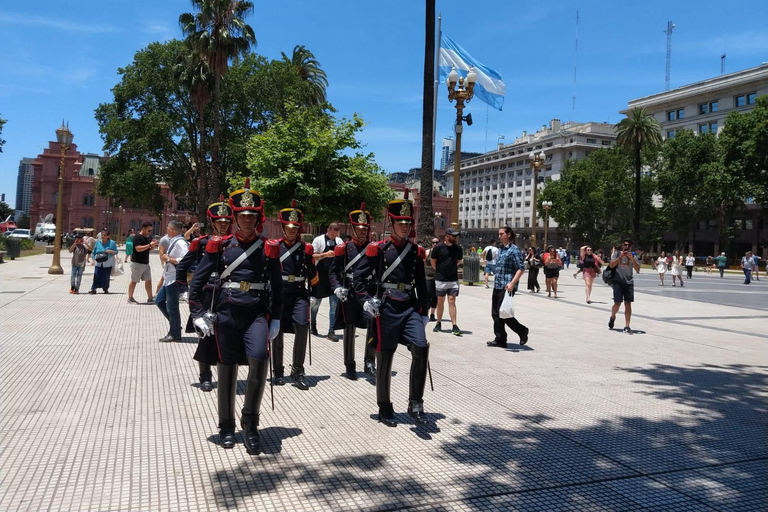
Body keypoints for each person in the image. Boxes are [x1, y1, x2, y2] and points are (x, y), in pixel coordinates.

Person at [189, 179, 283, 454]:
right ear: (235, 217)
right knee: (227, 368)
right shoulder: (220, 246)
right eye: (242, 216)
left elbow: (277, 287)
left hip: (255, 314)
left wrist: (276, 318)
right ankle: (226, 426)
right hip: (227, 313)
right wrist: (198, 313)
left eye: (251, 216)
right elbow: (198, 282)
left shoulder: (269, 247)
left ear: (258, 218)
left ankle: (250, 422)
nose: (246, 221)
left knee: (260, 359)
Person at [353, 190, 432, 428]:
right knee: (384, 356)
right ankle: (384, 405)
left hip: (409, 306)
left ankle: (415, 402)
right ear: (392, 223)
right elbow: (358, 277)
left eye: (408, 223)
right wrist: (366, 299)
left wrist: (425, 312)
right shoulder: (378, 249)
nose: (405, 227)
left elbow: (421, 284)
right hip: (386, 306)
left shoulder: (416, 252)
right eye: (401, 223)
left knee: (420, 346)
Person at [176, 199, 233, 393]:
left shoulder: (234, 243)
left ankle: (225, 371)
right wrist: (183, 289)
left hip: (226, 293)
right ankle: (205, 376)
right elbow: (182, 267)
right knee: (205, 335)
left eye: (226, 222)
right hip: (206, 293)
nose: (223, 225)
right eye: (219, 222)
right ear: (213, 222)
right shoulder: (201, 243)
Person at [272, 200, 320, 390]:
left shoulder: (305, 248)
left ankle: (298, 370)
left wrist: (314, 293)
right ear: (283, 227)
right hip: (280, 293)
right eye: (289, 227)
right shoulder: (274, 247)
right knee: (277, 331)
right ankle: (277, 370)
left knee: (302, 327)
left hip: (299, 293)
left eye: (295, 228)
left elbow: (313, 272)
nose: (292, 231)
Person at [329, 203, 376, 380]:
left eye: (365, 228)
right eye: (359, 228)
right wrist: (336, 287)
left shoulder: (374, 248)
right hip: (349, 291)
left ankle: (370, 361)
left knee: (372, 324)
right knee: (349, 326)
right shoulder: (345, 248)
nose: (363, 231)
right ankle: (350, 364)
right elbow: (333, 271)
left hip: (368, 290)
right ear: (353, 228)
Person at [487, 226, 529, 348]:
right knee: (495, 314)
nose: (499, 236)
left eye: (501, 234)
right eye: (499, 234)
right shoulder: (501, 249)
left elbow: (521, 268)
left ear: (509, 234)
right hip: (497, 285)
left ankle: (522, 331)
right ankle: (500, 339)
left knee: (504, 314)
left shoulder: (514, 250)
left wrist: (512, 283)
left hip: (507, 286)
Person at [155, 220, 189, 342]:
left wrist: (169, 258)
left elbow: (186, 259)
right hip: (168, 278)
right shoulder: (173, 240)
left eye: (168, 228)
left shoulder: (180, 242)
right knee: (159, 301)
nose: (167, 230)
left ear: (173, 230)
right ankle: (175, 326)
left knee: (172, 307)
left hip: (175, 278)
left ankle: (175, 333)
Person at [311, 223, 344, 341]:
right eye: (332, 234)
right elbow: (313, 256)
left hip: (334, 278)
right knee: (315, 304)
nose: (333, 236)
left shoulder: (339, 241)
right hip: (320, 277)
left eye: (335, 235)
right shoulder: (318, 240)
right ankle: (313, 324)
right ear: (327, 230)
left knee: (334, 306)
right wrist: (326, 255)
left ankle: (331, 331)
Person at [431, 227, 463, 336]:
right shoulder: (438, 247)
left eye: (455, 236)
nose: (454, 237)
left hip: (453, 279)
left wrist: (450, 268)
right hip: (440, 279)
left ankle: (454, 325)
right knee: (440, 300)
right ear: (447, 236)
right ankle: (438, 322)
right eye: (452, 235)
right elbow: (433, 261)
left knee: (452, 300)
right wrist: (440, 270)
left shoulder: (458, 248)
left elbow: (459, 261)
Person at [608, 239, 642, 334]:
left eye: (629, 245)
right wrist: (619, 257)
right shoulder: (617, 254)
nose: (627, 246)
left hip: (629, 282)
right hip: (618, 281)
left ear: (631, 247)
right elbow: (611, 265)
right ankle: (613, 316)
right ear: (622, 245)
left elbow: (638, 269)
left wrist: (632, 260)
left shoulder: (633, 256)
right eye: (625, 245)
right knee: (617, 303)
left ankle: (627, 326)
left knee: (628, 304)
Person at [127, 222, 158, 304]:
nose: (150, 232)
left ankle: (150, 298)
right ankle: (130, 298)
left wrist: (153, 246)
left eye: (151, 230)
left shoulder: (146, 238)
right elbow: (138, 248)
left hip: (146, 263)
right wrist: (149, 245)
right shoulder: (137, 237)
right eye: (148, 230)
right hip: (137, 263)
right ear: (143, 228)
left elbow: (148, 250)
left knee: (148, 280)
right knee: (134, 280)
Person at [425, 237, 439, 321]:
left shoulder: (440, 252)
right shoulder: (427, 252)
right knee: (428, 294)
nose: (435, 244)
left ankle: (432, 314)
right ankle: (426, 313)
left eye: (437, 242)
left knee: (435, 296)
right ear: (431, 243)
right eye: (434, 242)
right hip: (427, 275)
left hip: (437, 276)